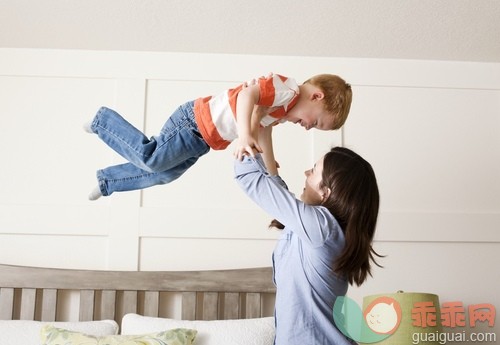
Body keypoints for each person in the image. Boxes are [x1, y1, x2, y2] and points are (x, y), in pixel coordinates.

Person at [84, 73, 352, 200]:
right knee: (152, 158)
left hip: (203, 140)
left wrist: (271, 168)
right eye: (314, 122)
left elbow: (264, 130)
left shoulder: (282, 110)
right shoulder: (287, 90)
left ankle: (108, 181)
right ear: (316, 96)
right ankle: (103, 122)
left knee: (165, 174)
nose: (307, 127)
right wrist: (244, 135)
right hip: (193, 122)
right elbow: (248, 94)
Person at [234, 138, 381, 344]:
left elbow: (251, 179)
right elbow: (278, 193)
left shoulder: (323, 229)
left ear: (325, 192)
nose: (305, 173)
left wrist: (244, 137)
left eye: (313, 171)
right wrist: (263, 132)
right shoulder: (315, 232)